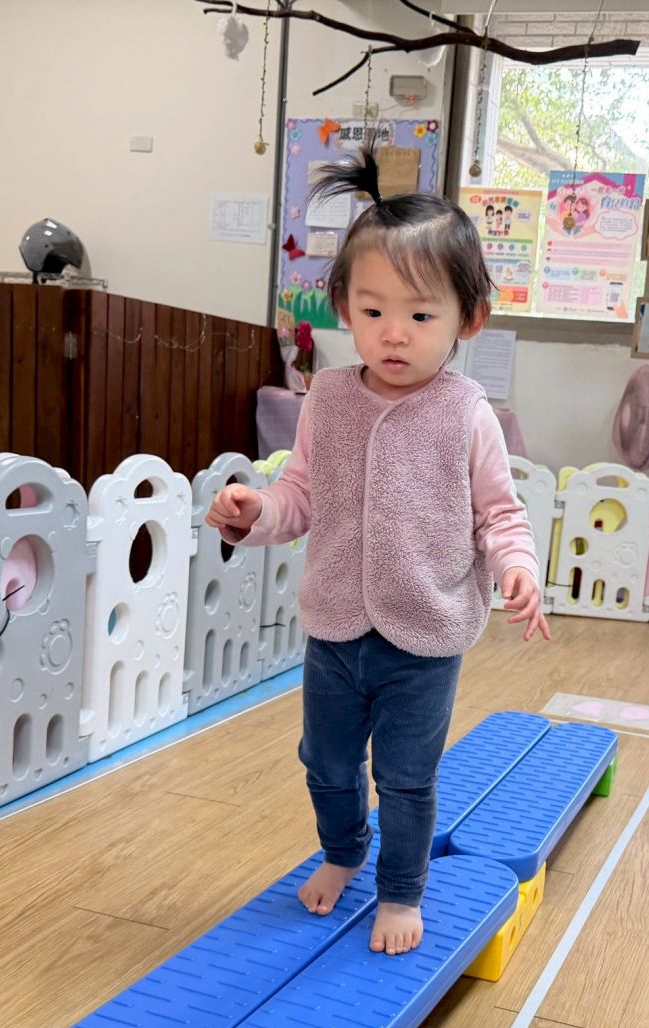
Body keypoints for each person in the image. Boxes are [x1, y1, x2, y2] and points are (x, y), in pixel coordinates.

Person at [206, 139, 549, 956]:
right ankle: (342, 849)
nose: (394, 334)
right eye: (372, 313)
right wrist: (255, 511)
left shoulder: (467, 413)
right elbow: (300, 495)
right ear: (343, 308)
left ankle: (400, 889)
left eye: (421, 316)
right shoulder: (326, 398)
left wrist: (516, 567)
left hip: (423, 634)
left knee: (404, 776)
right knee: (324, 764)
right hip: (334, 626)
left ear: (468, 319)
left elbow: (499, 515)